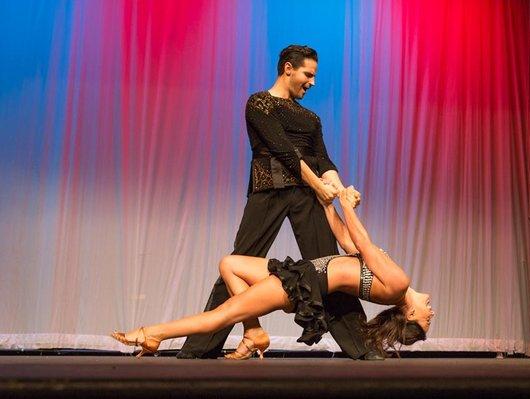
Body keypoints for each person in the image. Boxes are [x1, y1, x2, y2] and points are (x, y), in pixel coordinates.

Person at [177, 45, 373, 360]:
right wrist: (319, 186)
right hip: (269, 190)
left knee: (330, 267)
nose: (312, 82)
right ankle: (200, 347)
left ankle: (363, 346)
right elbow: (284, 151)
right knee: (241, 260)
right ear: (288, 69)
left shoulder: (311, 118)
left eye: (314, 76)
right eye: (308, 74)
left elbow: (322, 159)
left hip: (307, 195)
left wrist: (340, 187)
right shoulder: (259, 103)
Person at [112, 187, 435, 358]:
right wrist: (328, 203)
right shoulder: (394, 283)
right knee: (230, 263)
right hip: (301, 273)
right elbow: (347, 240)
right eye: (429, 317)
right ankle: (254, 332)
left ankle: (152, 334)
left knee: (221, 315)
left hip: (300, 287)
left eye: (425, 318)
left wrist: (348, 203)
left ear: (408, 314)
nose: (430, 312)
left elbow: (363, 244)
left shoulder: (397, 285)